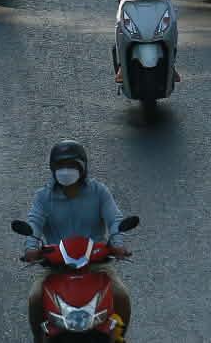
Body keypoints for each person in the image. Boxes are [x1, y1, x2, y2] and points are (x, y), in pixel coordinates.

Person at [22, 141, 131, 339]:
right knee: (35, 298)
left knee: (121, 296)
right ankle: (39, 339)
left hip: (96, 265)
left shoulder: (99, 192)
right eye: (60, 165)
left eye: (71, 165)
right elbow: (34, 223)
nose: (65, 170)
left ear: (82, 167)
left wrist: (118, 245)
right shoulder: (43, 197)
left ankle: (119, 338)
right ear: (53, 168)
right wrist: (31, 248)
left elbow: (114, 219)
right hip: (56, 267)